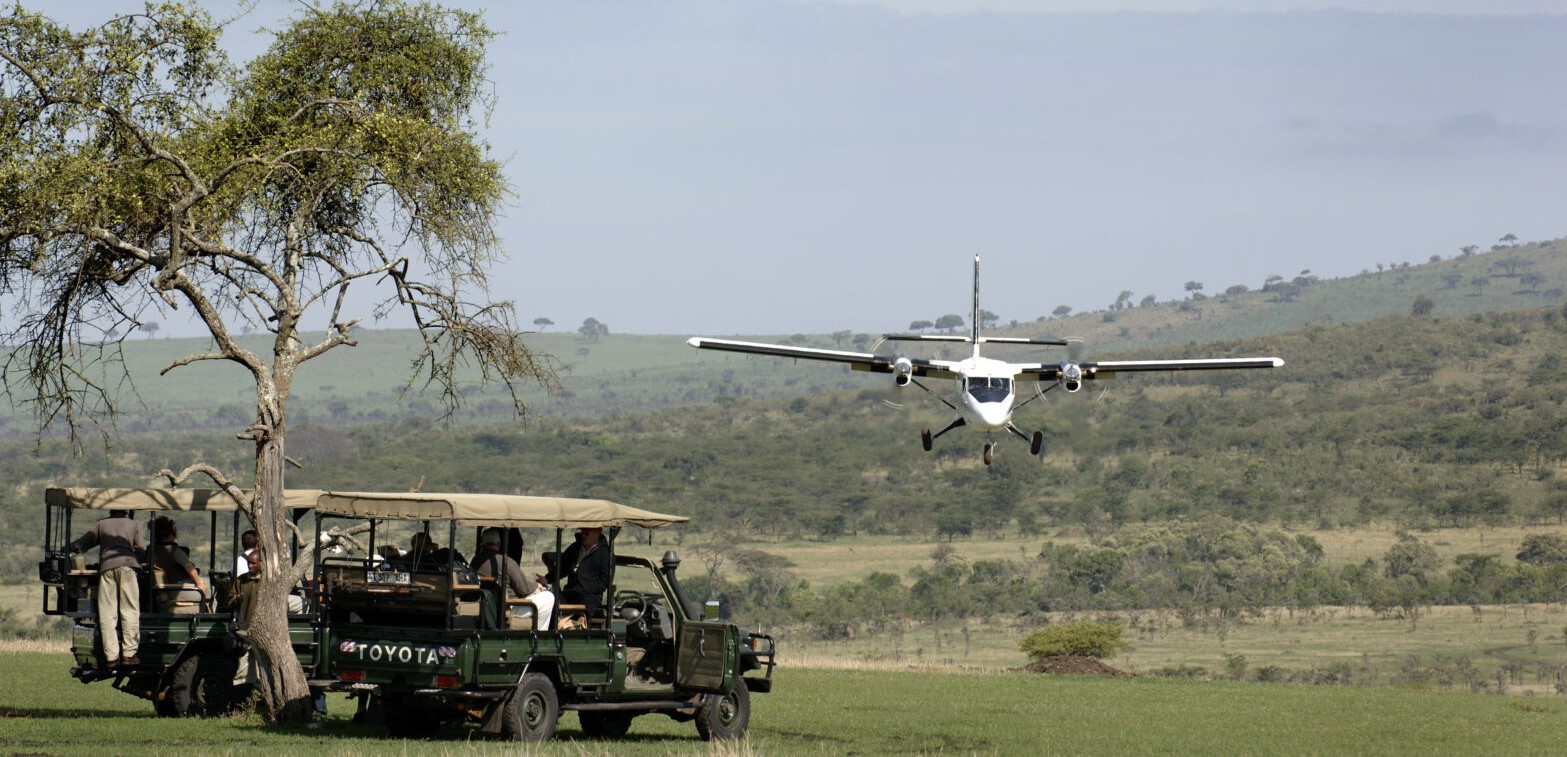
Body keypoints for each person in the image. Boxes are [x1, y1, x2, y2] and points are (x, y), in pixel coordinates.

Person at [69, 509, 145, 668]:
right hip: (128, 568)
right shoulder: (134, 524)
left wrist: (66, 547)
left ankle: (111, 657)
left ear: (111, 510)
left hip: (107, 568)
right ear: (126, 511)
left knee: (107, 613)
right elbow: (142, 550)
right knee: (129, 610)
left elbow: (81, 545)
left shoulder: (100, 524)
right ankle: (129, 654)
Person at [472, 528, 553, 629]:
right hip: (508, 606)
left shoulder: (475, 561)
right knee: (549, 597)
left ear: (483, 543)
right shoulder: (506, 561)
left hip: (488, 605)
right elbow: (524, 589)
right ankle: (540, 634)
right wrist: (537, 585)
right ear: (499, 543)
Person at [546, 526, 613, 616]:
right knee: (551, 606)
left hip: (589, 597)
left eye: (586, 533)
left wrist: (583, 589)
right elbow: (561, 568)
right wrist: (546, 579)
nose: (583, 536)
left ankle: (576, 625)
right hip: (570, 593)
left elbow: (604, 582)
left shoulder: (605, 554)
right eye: (582, 533)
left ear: (596, 535)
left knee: (582, 614)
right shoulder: (575, 548)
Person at [150, 516, 208, 611]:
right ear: (171, 533)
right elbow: (189, 566)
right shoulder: (174, 550)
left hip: (161, 589)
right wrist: (199, 583)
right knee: (208, 587)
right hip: (175, 588)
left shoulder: (151, 550)